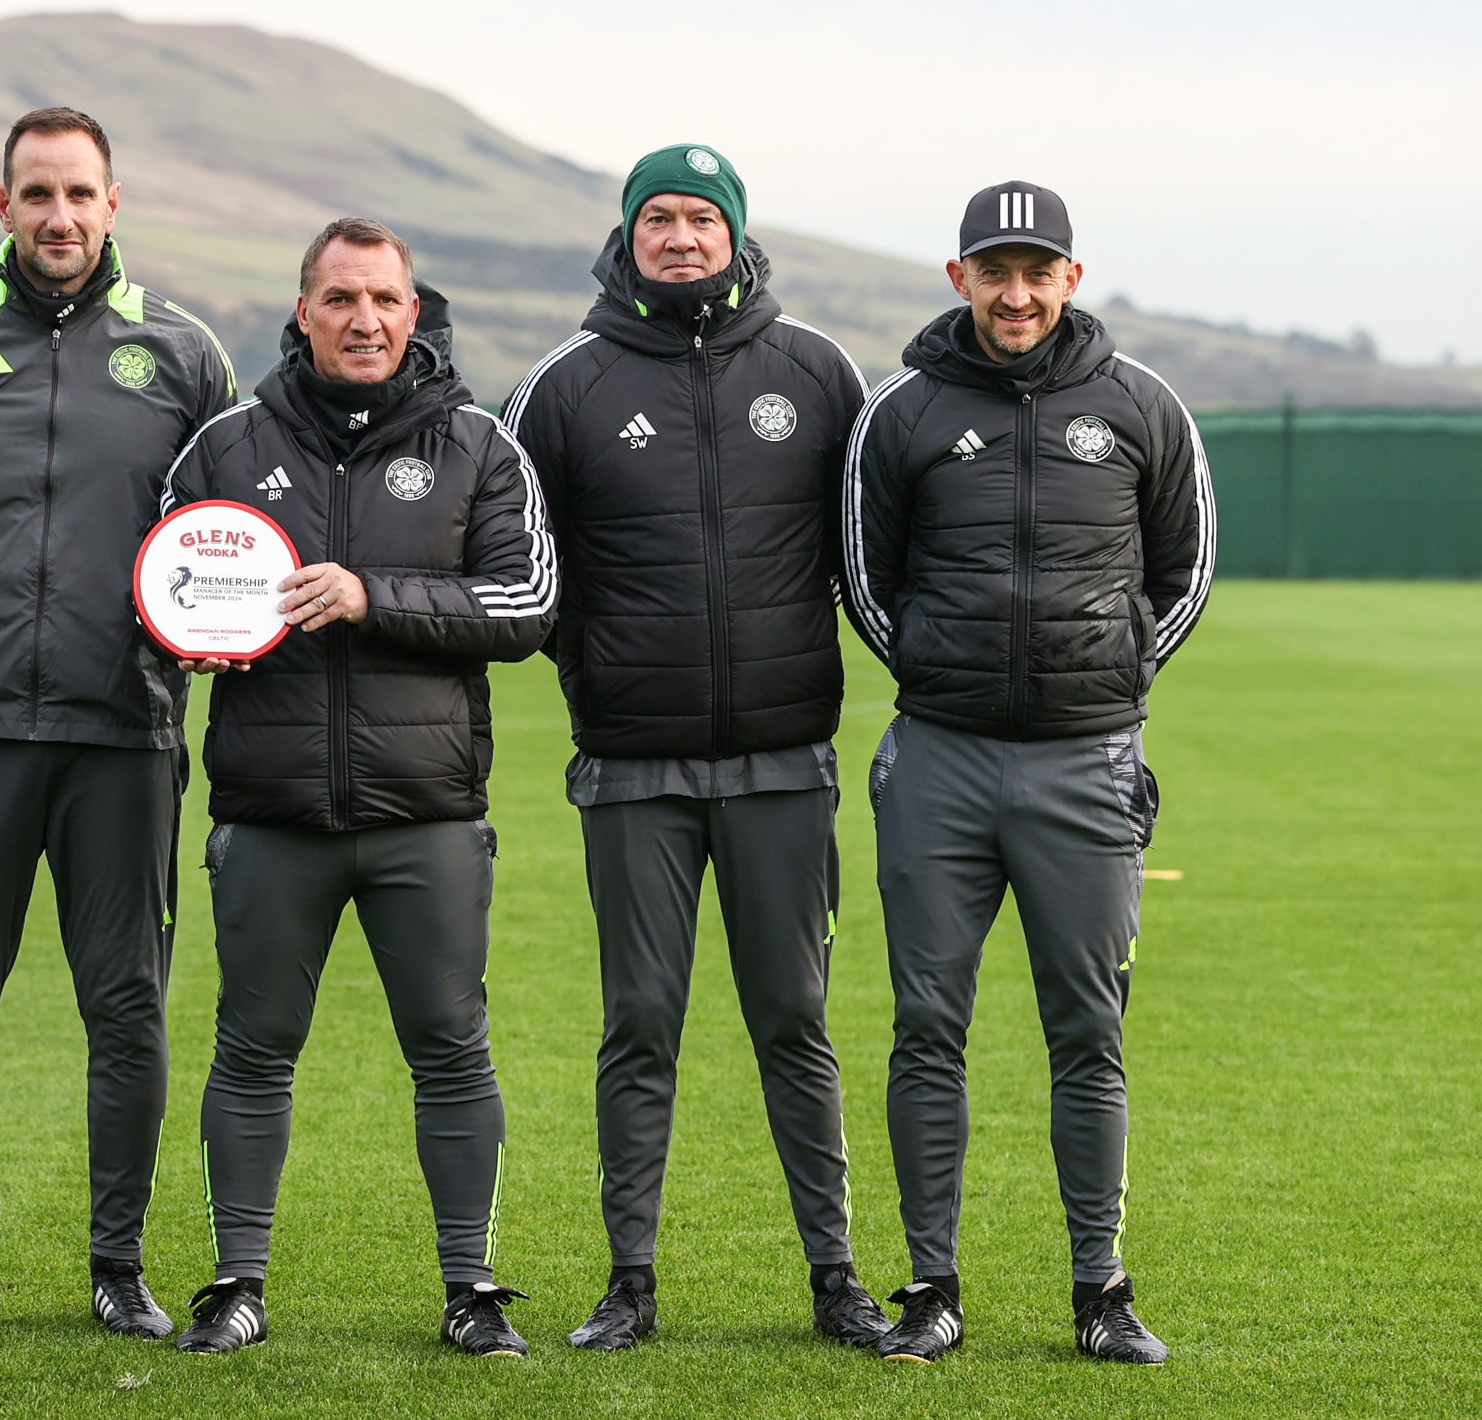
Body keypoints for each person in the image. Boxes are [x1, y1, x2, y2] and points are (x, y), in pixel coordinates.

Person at [503, 142, 889, 1351]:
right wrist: (598, 680)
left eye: (701, 219)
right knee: (641, 1023)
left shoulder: (818, 371)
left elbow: (872, 545)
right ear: (627, 236)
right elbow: (522, 563)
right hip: (631, 767)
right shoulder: (563, 383)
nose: (680, 237)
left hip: (783, 763)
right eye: (658, 218)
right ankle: (629, 1282)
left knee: (794, 1019)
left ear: (734, 234)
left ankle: (835, 1278)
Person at [161, 218, 555, 1358]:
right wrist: (193, 637)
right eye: (340, 299)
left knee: (450, 1047)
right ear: (302, 311)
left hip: (423, 816)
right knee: (251, 1050)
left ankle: (471, 1288)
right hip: (270, 814)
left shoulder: (480, 446)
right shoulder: (227, 448)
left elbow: (526, 606)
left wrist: (369, 594)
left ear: (415, 309)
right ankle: (236, 1282)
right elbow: (166, 590)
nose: (365, 319)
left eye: (384, 299)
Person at [0, 107, 236, 1338]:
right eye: (37, 194)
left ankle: (117, 1265)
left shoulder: (184, 355)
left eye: (80, 194)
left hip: (122, 735)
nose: (60, 217)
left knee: (125, 1003)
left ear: (114, 204)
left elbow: (223, 545)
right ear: (2, 204)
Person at [842, 180, 1214, 1365]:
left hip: (1086, 764)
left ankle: (1098, 1290)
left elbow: (1185, 569)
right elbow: (864, 575)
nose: (1015, 293)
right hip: (940, 759)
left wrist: (1098, 678)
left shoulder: (1143, 406)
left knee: (1087, 1031)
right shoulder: (898, 410)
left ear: (1070, 276)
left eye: (1035, 270)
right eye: (992, 271)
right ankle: (930, 1287)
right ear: (958, 279)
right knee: (924, 1027)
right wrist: (955, 679)